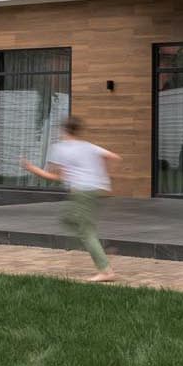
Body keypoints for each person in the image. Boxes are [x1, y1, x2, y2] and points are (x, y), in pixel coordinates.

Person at [23, 115, 119, 281]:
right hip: (94, 190)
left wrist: (31, 168)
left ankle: (105, 270)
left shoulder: (61, 149)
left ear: (63, 130)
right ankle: (97, 248)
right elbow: (114, 157)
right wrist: (104, 176)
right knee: (66, 219)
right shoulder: (88, 146)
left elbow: (54, 176)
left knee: (85, 232)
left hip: (82, 192)